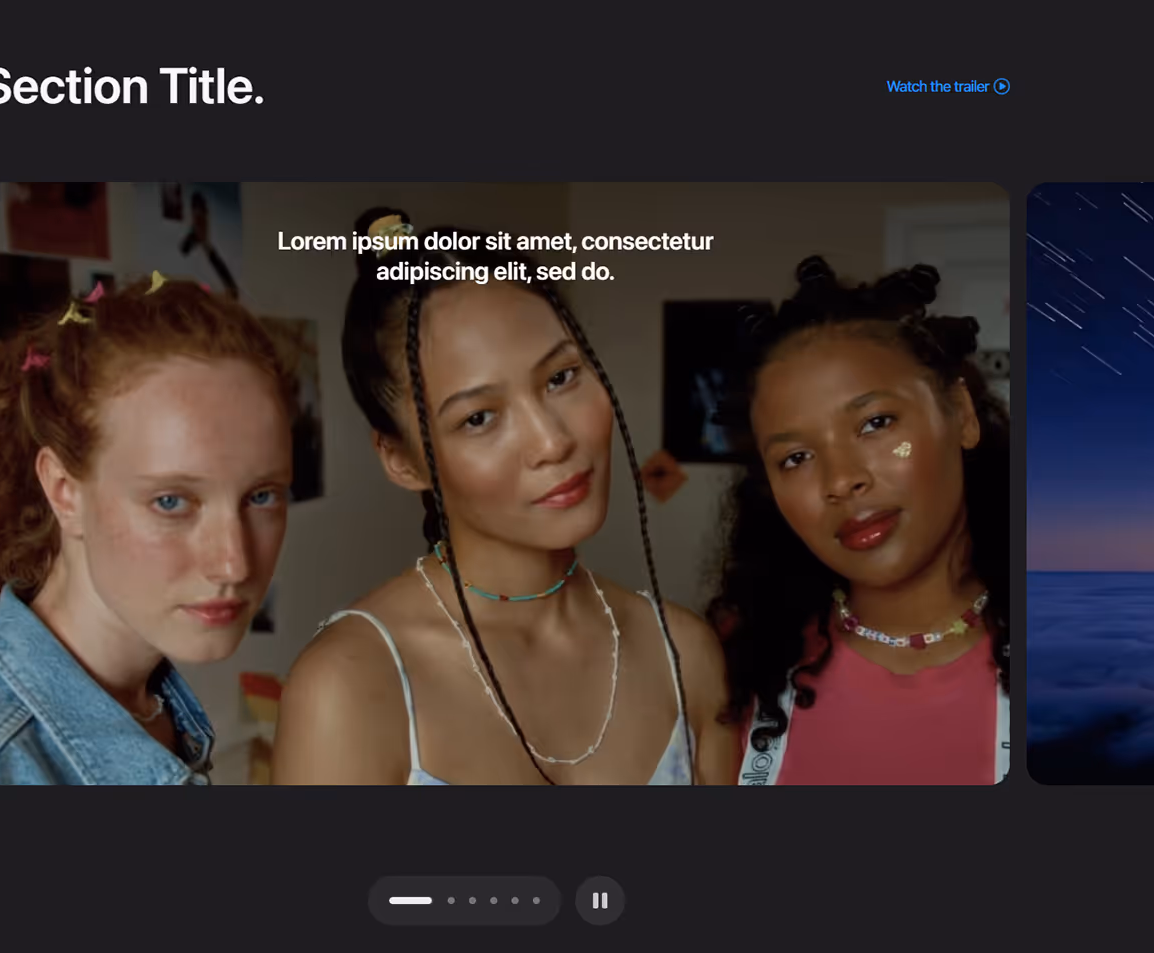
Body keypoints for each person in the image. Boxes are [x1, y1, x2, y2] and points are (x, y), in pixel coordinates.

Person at [272, 208, 732, 785]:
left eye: (561, 378)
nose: (552, 441)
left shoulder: (684, 654)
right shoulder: (349, 687)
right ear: (401, 459)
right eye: (480, 417)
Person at [0, 274, 297, 784]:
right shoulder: (1, 763)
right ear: (64, 490)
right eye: (171, 501)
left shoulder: (153, 706)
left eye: (261, 496)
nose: (233, 563)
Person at [709, 257, 1010, 785]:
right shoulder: (729, 669)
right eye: (795, 458)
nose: (841, 479)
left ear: (960, 414)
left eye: (875, 423)